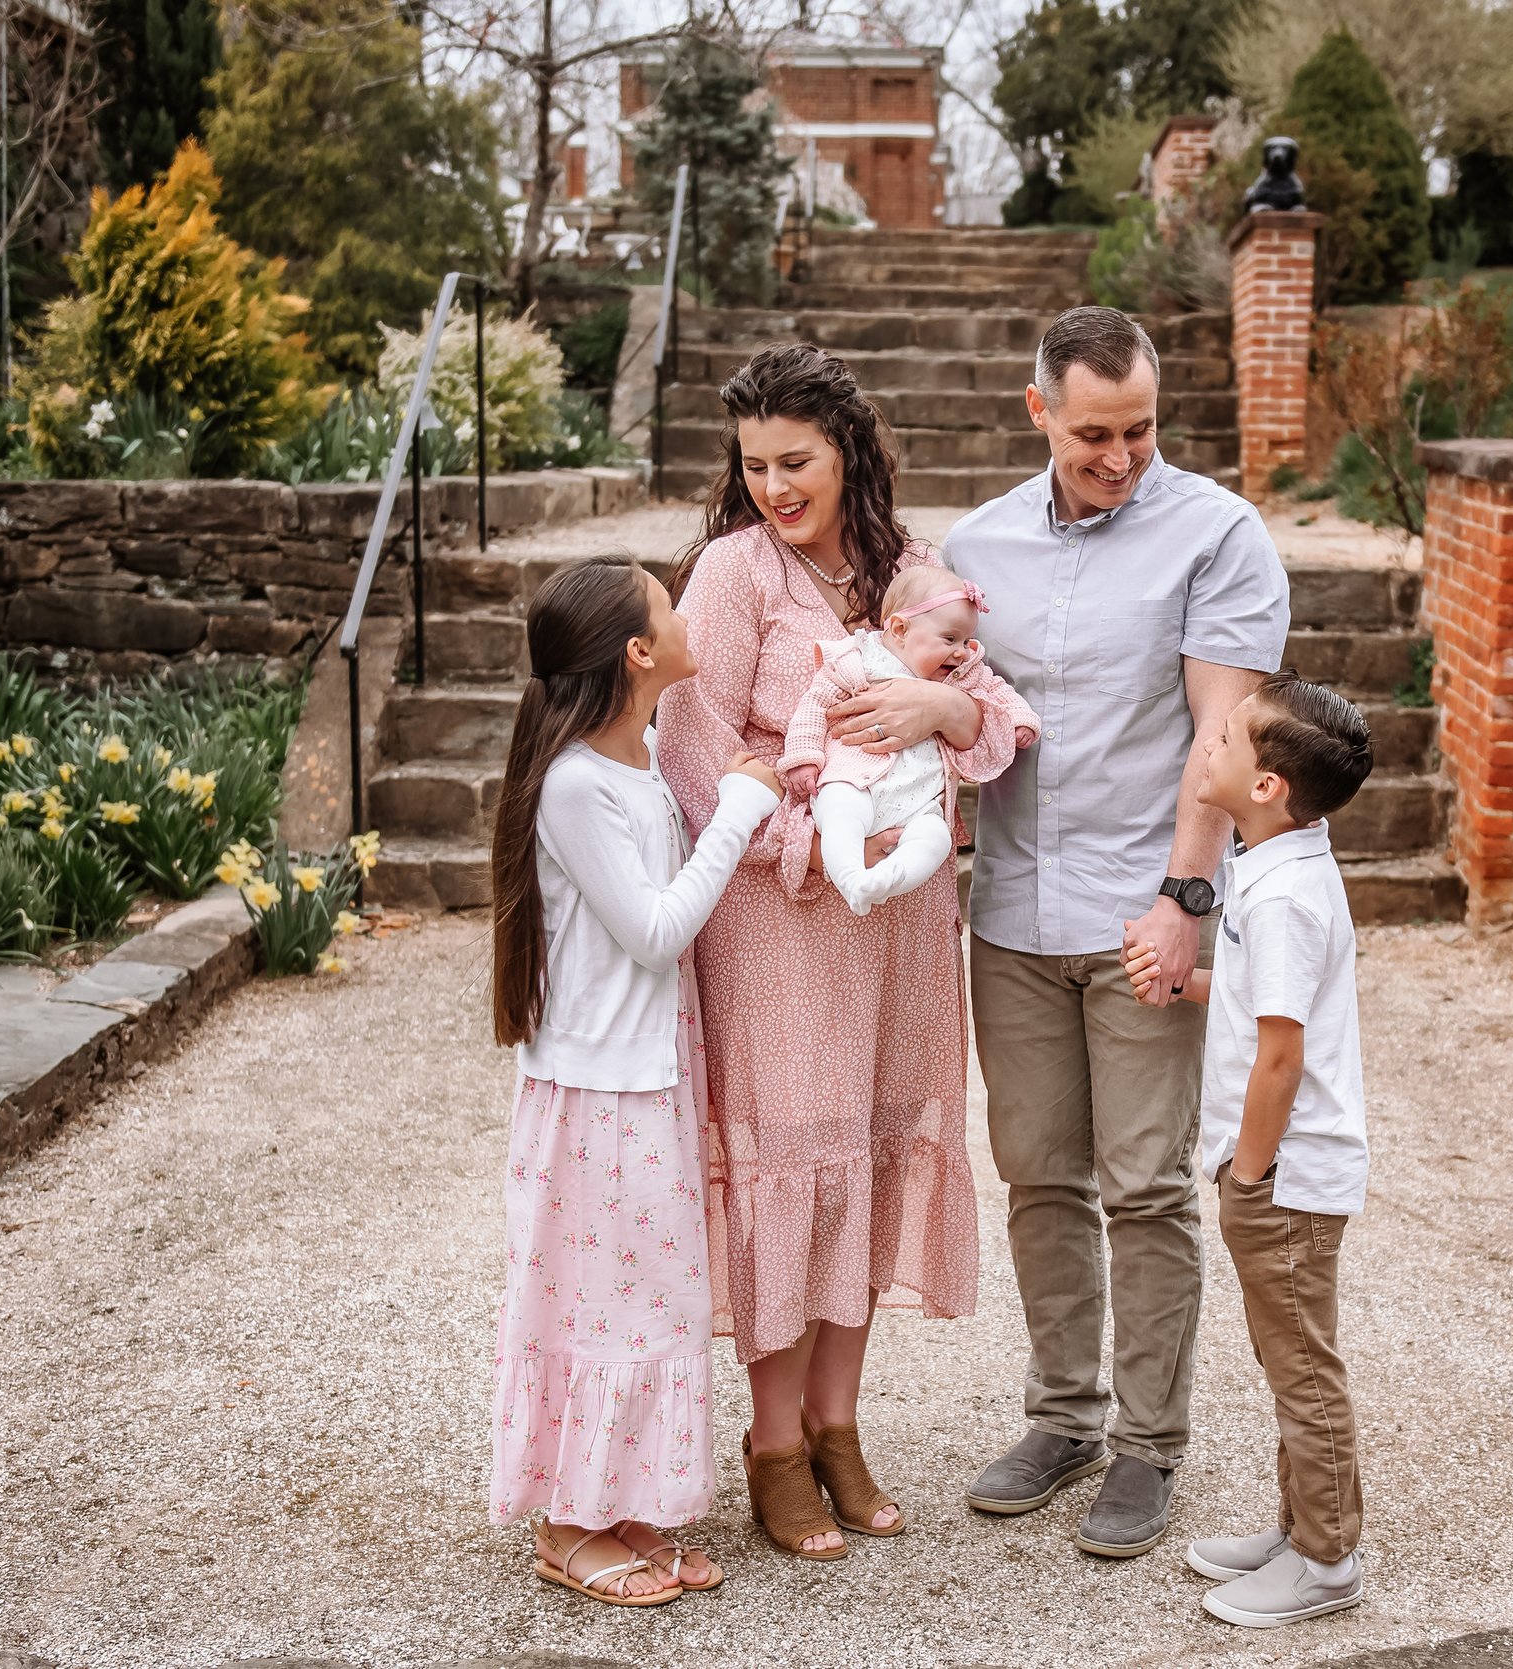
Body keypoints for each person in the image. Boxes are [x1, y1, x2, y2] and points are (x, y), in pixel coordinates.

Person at [656, 343, 1034, 1560]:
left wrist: (943, 709)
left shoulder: (912, 573)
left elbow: (999, 725)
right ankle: (771, 1444)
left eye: (795, 460)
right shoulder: (732, 572)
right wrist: (801, 842)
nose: (773, 484)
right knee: (789, 1165)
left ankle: (838, 1426)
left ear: (848, 451)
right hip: (777, 916)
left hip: (899, 926)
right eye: (754, 463)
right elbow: (690, 748)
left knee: (868, 1153)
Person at [951, 305, 1290, 1558]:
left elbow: (1226, 740)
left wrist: (1186, 903)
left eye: (1140, 428)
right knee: (1039, 1176)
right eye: (1093, 431)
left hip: (1143, 909)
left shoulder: (1215, 534)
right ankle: (1062, 1416)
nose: (1120, 455)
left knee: (1144, 1187)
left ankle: (1149, 1447)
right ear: (1037, 409)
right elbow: (959, 710)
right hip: (1011, 917)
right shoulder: (975, 545)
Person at [482, 556, 783, 1607]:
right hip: (598, 1096)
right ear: (638, 653)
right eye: (669, 603)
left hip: (648, 1076)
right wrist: (744, 807)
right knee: (596, 1306)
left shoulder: (639, 754)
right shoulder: (573, 783)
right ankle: (567, 1527)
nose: (688, 609)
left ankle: (624, 1503)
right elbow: (654, 932)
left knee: (652, 1299)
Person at [1121, 673, 1375, 1628]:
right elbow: (1262, 1001)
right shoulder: (1275, 865)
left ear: (1266, 784)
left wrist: (1249, 1174)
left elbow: (1280, 1054)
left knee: (1303, 1365)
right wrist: (1185, 984)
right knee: (1288, 1357)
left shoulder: (1283, 898)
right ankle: (1299, 1524)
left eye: (1223, 739)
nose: (1208, 749)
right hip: (1285, 1171)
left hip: (1286, 1177)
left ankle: (1325, 1560)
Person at [782, 565, 1038, 916]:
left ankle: (889, 878)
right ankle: (851, 877)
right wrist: (804, 756)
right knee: (840, 813)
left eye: (966, 641)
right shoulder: (859, 660)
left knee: (935, 839)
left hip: (918, 803)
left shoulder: (962, 672)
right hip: (855, 781)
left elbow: (997, 691)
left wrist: (1021, 719)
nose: (962, 651)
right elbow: (814, 705)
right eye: (950, 639)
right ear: (901, 629)